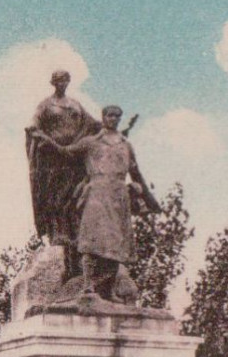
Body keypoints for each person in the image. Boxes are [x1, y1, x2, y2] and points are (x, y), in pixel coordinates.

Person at [33, 105, 158, 302]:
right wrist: (47, 141)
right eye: (110, 115)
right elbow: (65, 152)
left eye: (117, 116)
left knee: (116, 245)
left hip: (118, 197)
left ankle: (109, 290)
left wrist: (150, 200)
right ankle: (88, 285)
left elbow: (136, 173)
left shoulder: (126, 145)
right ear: (104, 117)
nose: (114, 119)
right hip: (96, 194)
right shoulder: (91, 143)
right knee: (91, 241)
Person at [25, 70, 100, 273]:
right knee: (56, 197)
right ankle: (58, 233)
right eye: (58, 80)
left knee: (75, 197)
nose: (62, 83)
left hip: (73, 156)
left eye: (65, 79)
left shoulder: (75, 104)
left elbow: (93, 124)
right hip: (53, 157)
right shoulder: (45, 105)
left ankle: (75, 235)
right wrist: (47, 141)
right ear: (53, 82)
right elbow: (33, 126)